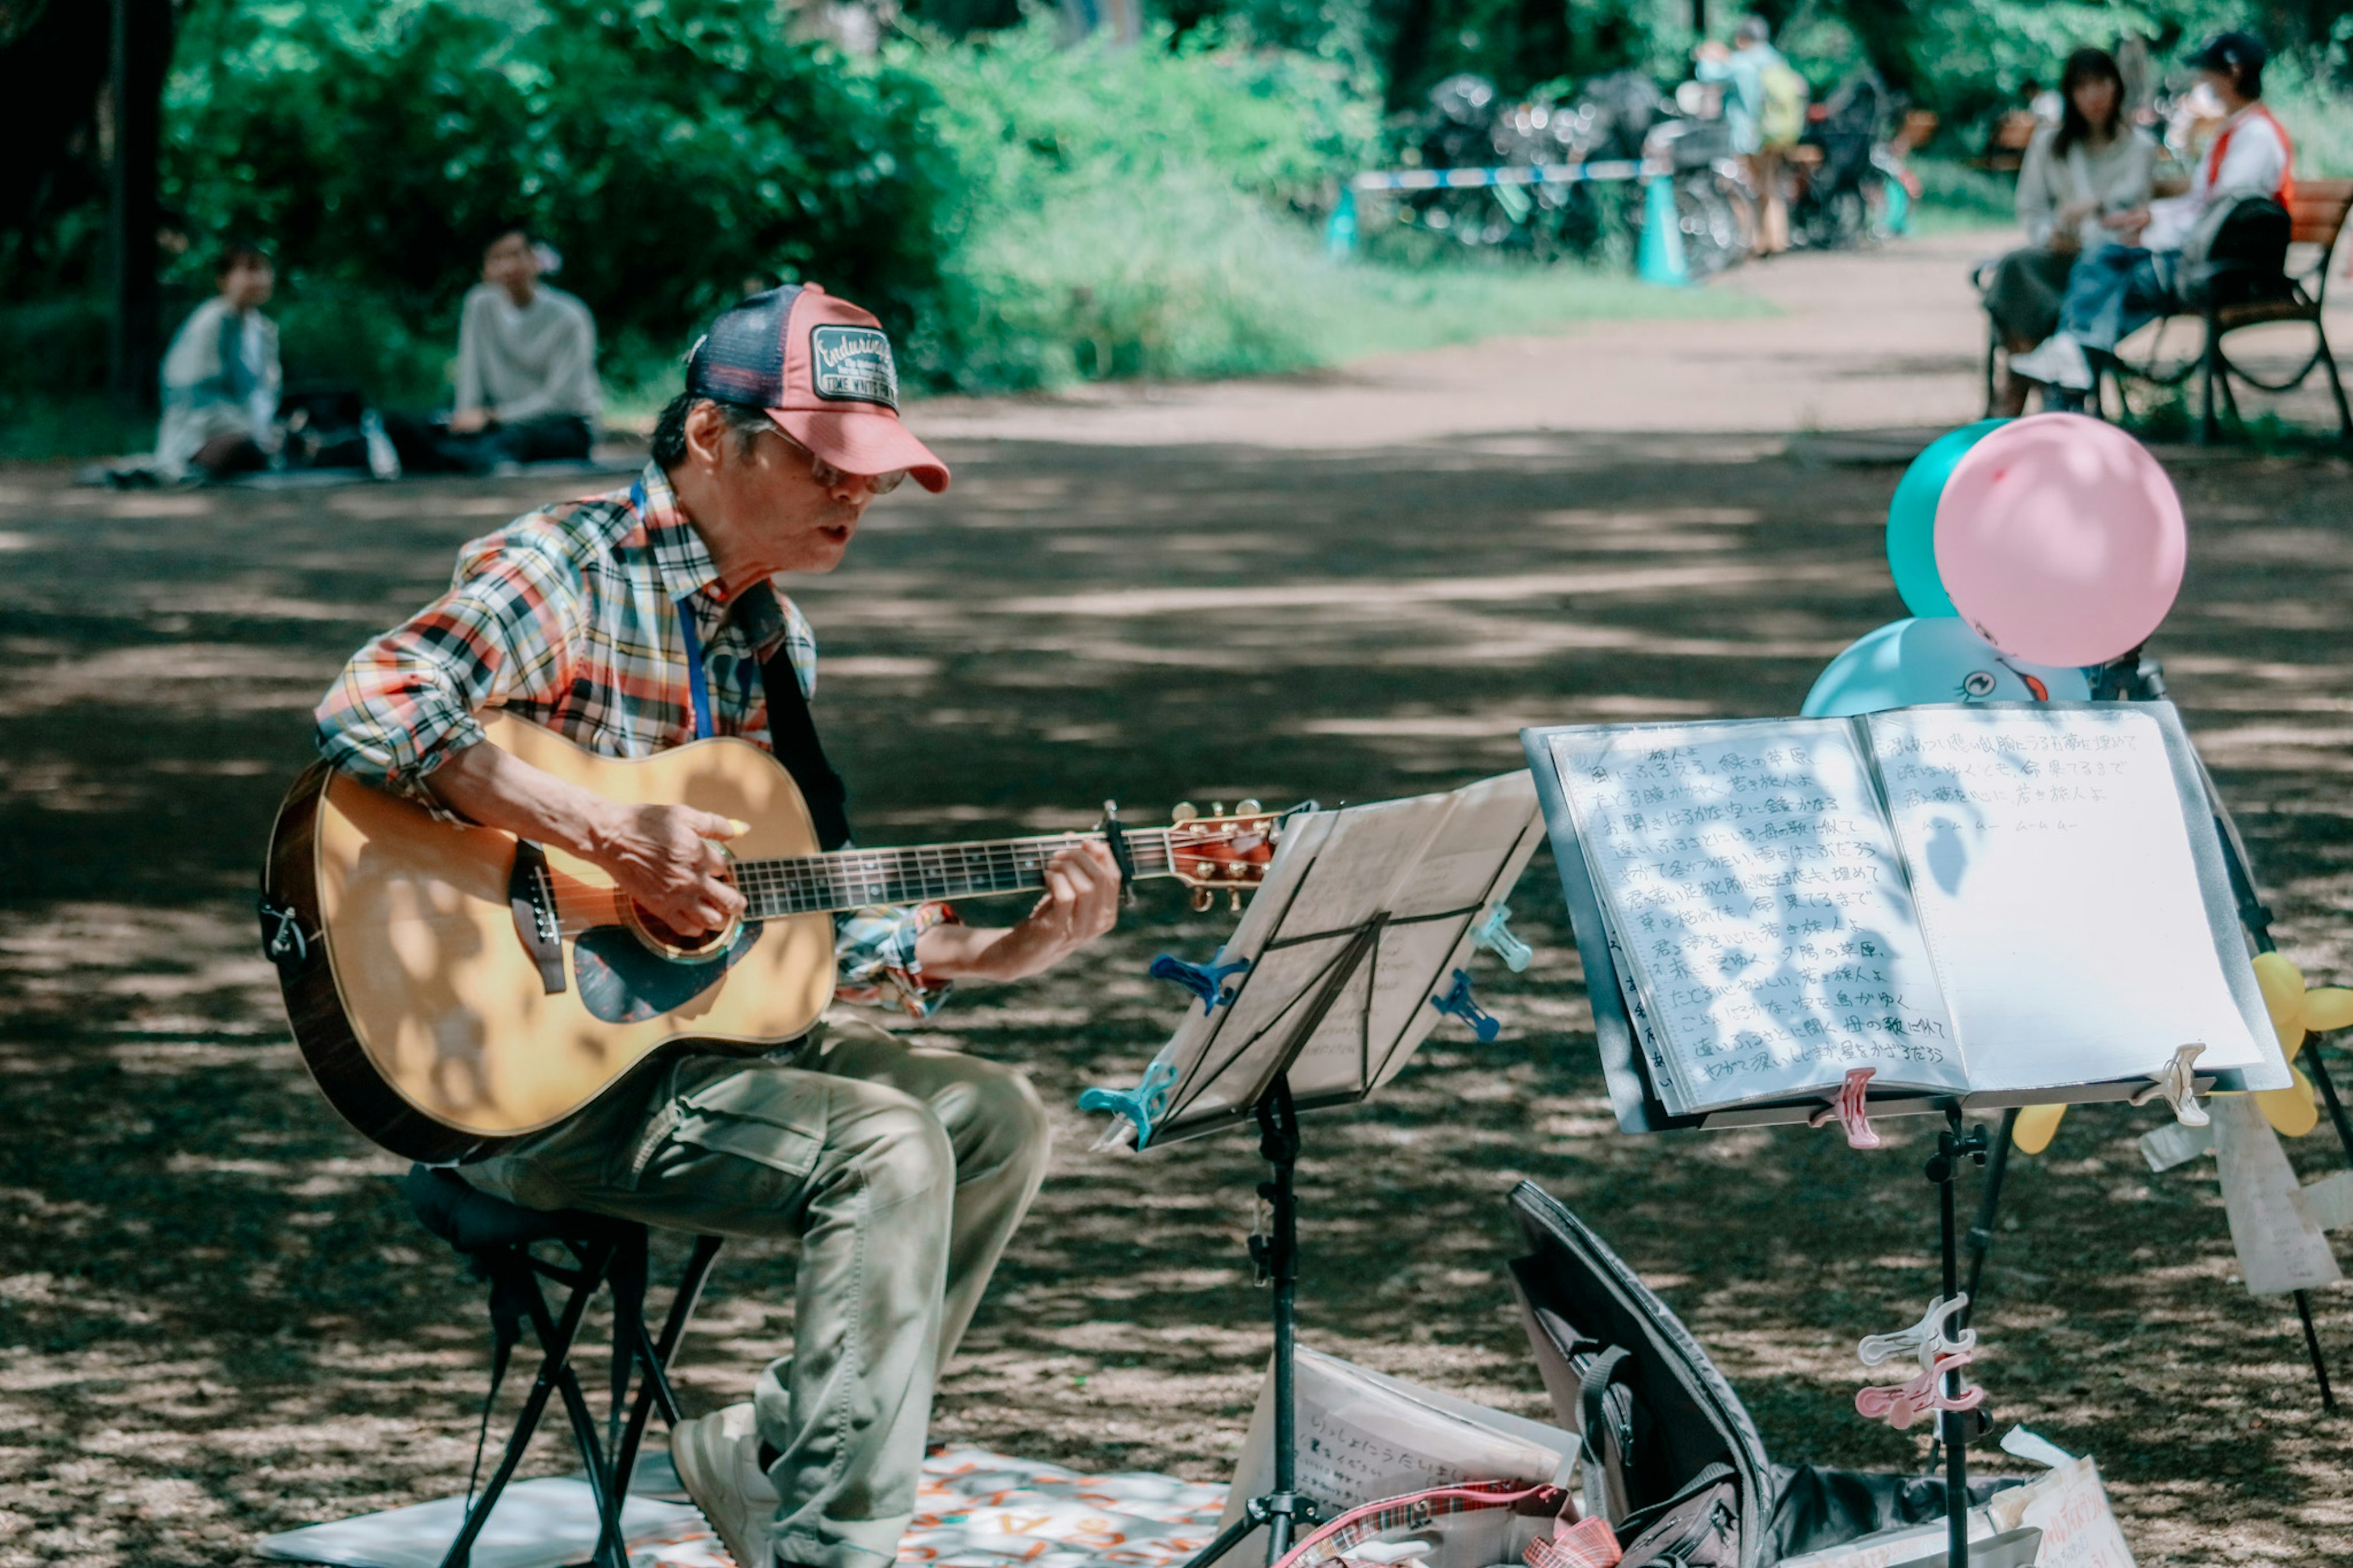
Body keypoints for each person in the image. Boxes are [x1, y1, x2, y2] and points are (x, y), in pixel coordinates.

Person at [313, 282, 1123, 1568]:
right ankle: (830, 1546)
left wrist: (1005, 949)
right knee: (889, 1144)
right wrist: (601, 830)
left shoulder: (774, 641)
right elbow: (374, 700)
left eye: (873, 471)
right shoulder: (569, 565)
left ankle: (768, 1455)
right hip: (531, 1083)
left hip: (702, 1053)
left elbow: (800, 923)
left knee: (996, 1118)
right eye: (824, 461)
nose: (857, 495)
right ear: (709, 437)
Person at [2009, 32, 2292, 400]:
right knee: (2107, 273)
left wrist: (2152, 229)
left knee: (2112, 273)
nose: (2201, 80)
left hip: (2230, 268)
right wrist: (2150, 217)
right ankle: (2069, 376)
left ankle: (2067, 373)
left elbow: (2220, 215)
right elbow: (2203, 204)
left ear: (2234, 72)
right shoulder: (2235, 131)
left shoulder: (2256, 136)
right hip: (2206, 257)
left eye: (2208, 70)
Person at [1981, 49, 2159, 415]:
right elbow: (2032, 209)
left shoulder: (2139, 148)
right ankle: (2029, 384)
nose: (2094, 96)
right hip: (2059, 258)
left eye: (2101, 84)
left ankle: (2016, 399)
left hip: (2110, 265)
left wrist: (2091, 208)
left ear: (2117, 87)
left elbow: (2129, 213)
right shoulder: (2049, 143)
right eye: (2083, 87)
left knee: (2077, 278)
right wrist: (2051, 235)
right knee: (2017, 267)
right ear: (2070, 93)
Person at [387, 224, 601, 473]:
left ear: (536, 260)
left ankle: (464, 457)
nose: (508, 267)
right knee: (403, 425)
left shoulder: (569, 316)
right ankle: (462, 454)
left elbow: (562, 400)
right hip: (495, 424)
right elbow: (471, 372)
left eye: (515, 255)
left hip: (558, 424)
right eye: (497, 258)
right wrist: (466, 420)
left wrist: (493, 417)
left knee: (515, 442)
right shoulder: (480, 304)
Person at [154, 241, 281, 481]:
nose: (260, 279)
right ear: (224, 279)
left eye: (264, 270)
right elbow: (191, 393)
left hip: (253, 428)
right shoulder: (210, 322)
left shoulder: (264, 330)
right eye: (250, 270)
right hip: (201, 431)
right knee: (239, 447)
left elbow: (267, 392)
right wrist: (245, 426)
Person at [1696, 16, 1802, 255]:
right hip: (1776, 135)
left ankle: (1748, 243)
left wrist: (1706, 56)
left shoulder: (1742, 63)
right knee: (1770, 186)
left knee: (1739, 188)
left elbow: (1708, 76)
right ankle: (1776, 240)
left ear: (1743, 39)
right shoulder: (1776, 61)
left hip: (1746, 138)